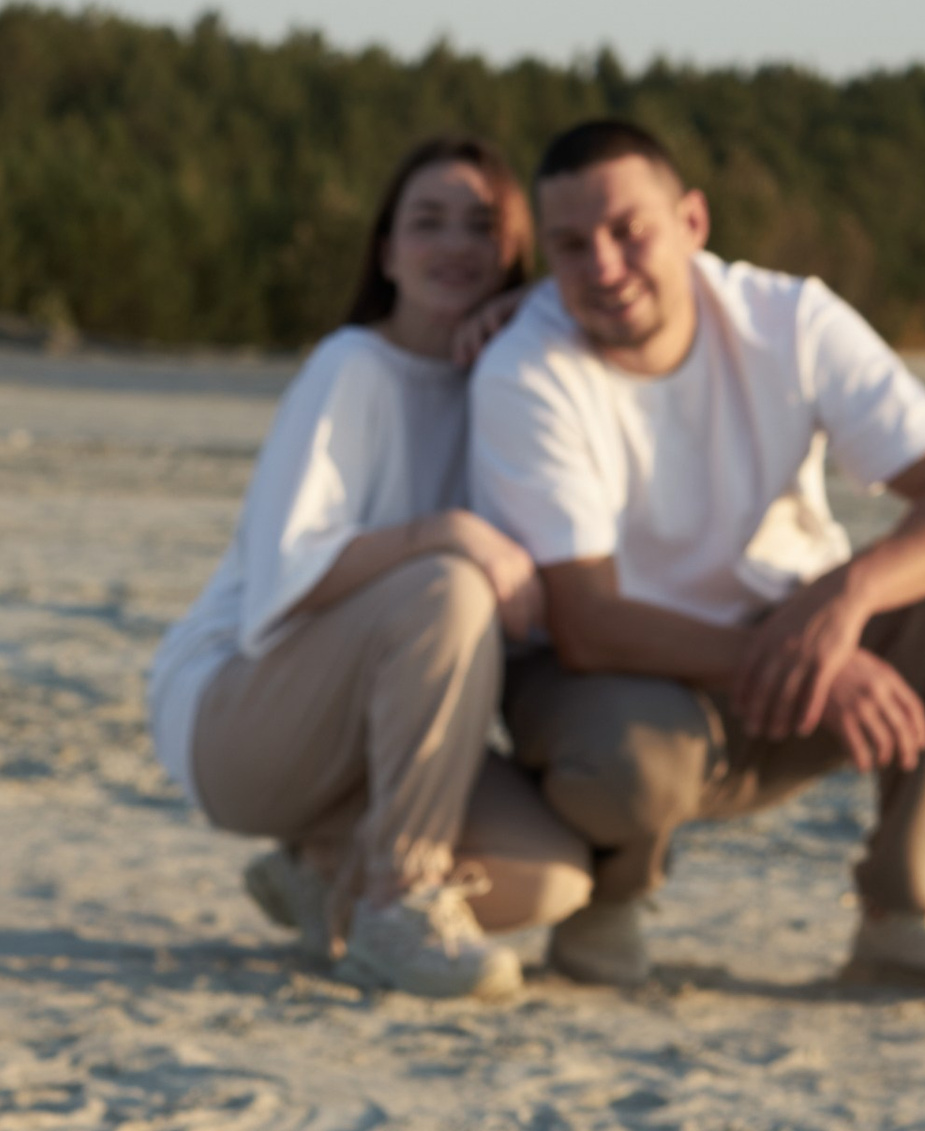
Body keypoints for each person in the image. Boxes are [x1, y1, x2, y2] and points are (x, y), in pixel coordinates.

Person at [469, 116, 925, 1006]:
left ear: (693, 223)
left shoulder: (790, 319)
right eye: (572, 245)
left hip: (782, 652)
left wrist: (847, 601)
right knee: (632, 756)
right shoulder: (526, 370)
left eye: (631, 232)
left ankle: (907, 915)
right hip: (608, 680)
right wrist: (807, 656)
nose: (605, 268)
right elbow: (585, 622)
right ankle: (613, 896)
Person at [148, 136, 592, 1001]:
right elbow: (288, 580)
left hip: (377, 731)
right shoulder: (350, 365)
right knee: (450, 584)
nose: (456, 246)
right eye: (428, 222)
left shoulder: (511, 385)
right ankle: (398, 903)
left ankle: (324, 874)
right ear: (386, 250)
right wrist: (449, 531)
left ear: (515, 253)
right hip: (238, 715)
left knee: (553, 879)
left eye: (482, 226)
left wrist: (537, 317)